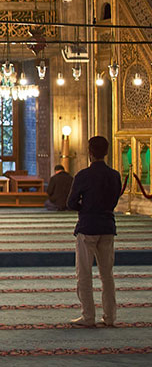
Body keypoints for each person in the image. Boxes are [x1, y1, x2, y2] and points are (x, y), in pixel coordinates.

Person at [66, 136, 123, 328]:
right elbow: (115, 200)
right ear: (106, 152)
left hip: (88, 227)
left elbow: (71, 203)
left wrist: (86, 207)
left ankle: (88, 316)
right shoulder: (114, 175)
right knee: (107, 275)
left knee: (84, 274)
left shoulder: (83, 175)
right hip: (107, 227)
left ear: (90, 153)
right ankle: (110, 317)